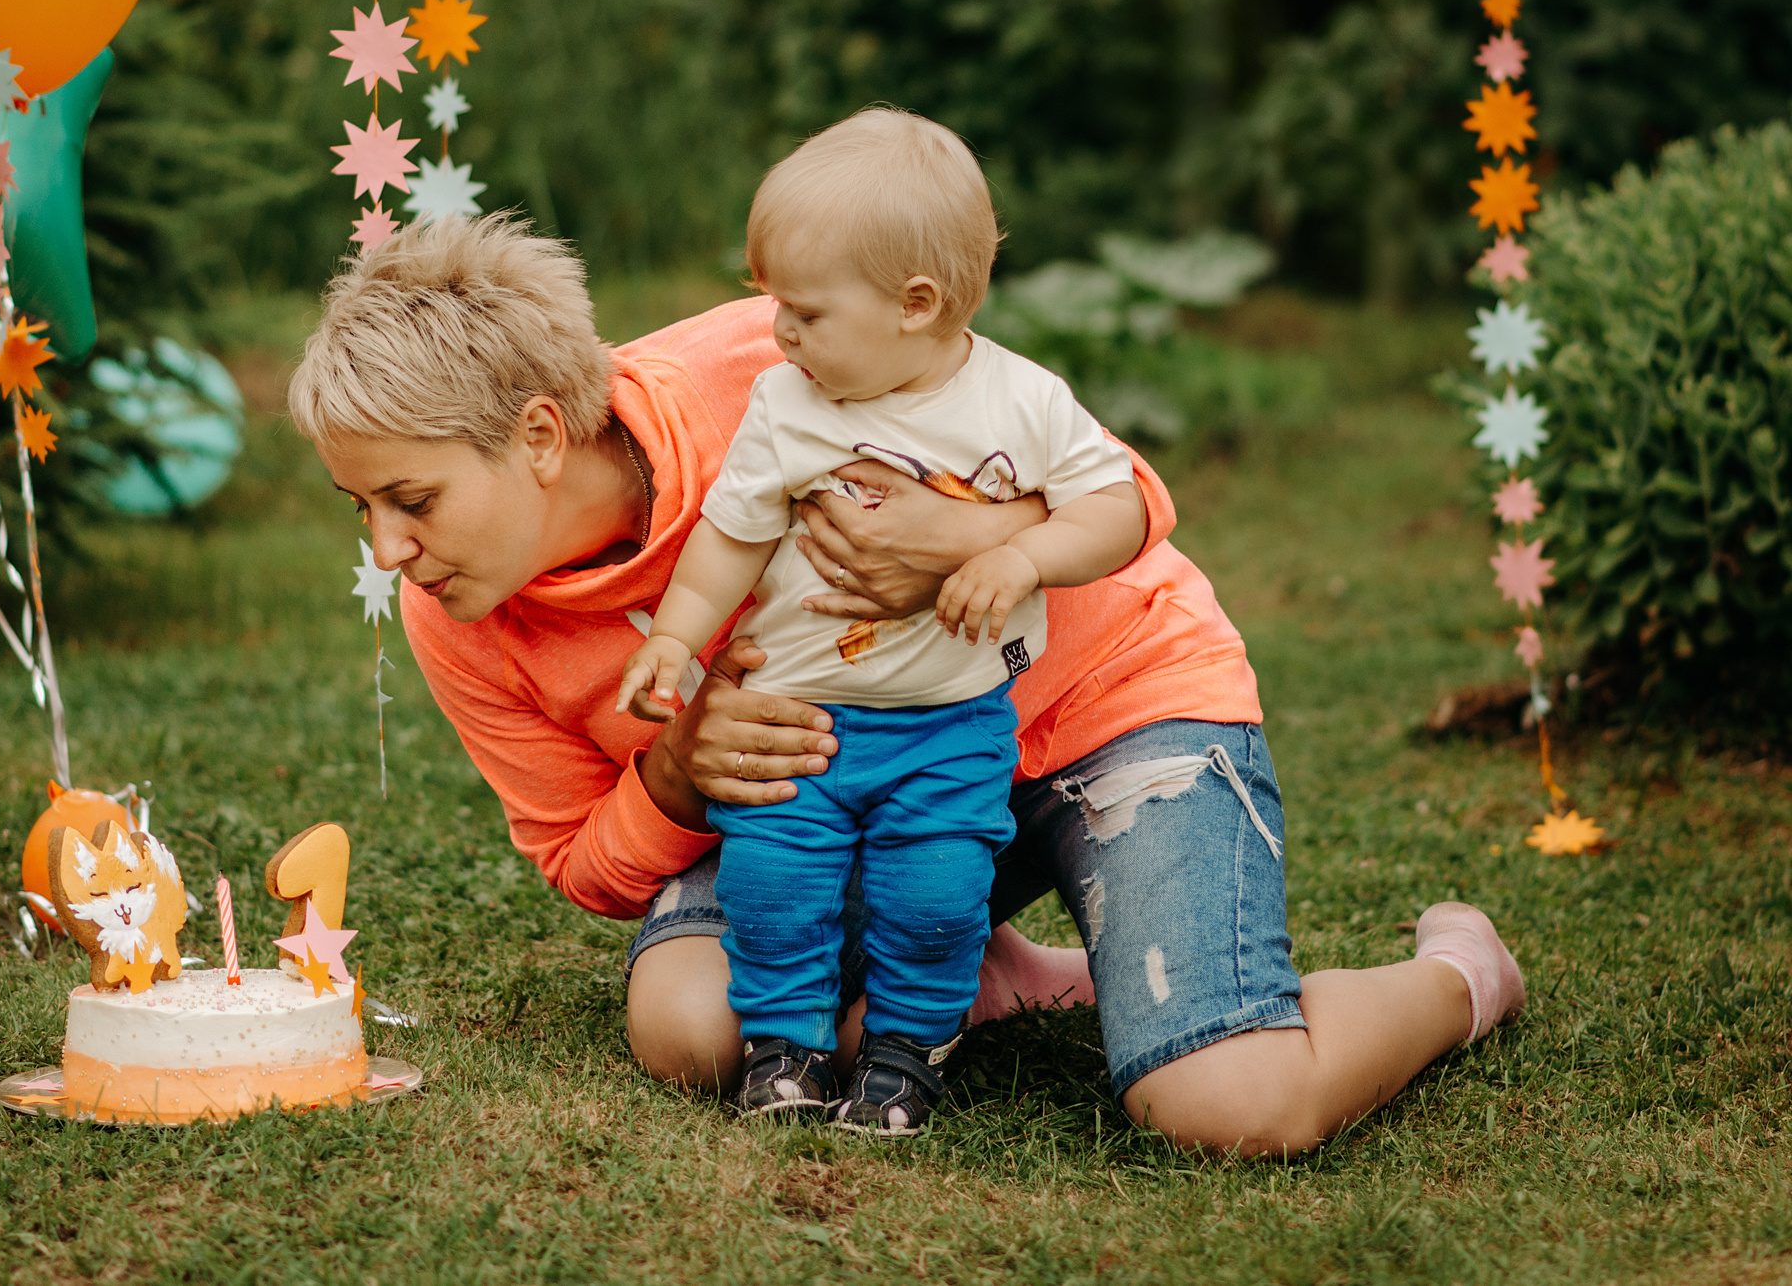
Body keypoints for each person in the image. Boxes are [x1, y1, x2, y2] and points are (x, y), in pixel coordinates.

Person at [288, 208, 1525, 1157]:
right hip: (851, 799)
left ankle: (1458, 976)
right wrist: (671, 774)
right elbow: (578, 857)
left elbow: (1131, 495)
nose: (389, 548)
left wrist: (970, 538)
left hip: (1100, 714)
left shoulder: (769, 369)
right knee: (691, 1026)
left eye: (414, 500)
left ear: (544, 437)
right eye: (366, 508)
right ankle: (970, 958)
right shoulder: (462, 618)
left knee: (1229, 1102)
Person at [614, 110, 1149, 1133]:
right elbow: (729, 537)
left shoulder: (1021, 402)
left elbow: (1117, 506)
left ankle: (908, 1049)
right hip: (799, 719)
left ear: (917, 304)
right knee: (775, 886)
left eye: (807, 313)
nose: (780, 334)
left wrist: (1017, 551)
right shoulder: (786, 404)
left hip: (950, 726)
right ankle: (787, 1050)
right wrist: (677, 635)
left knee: (938, 889)